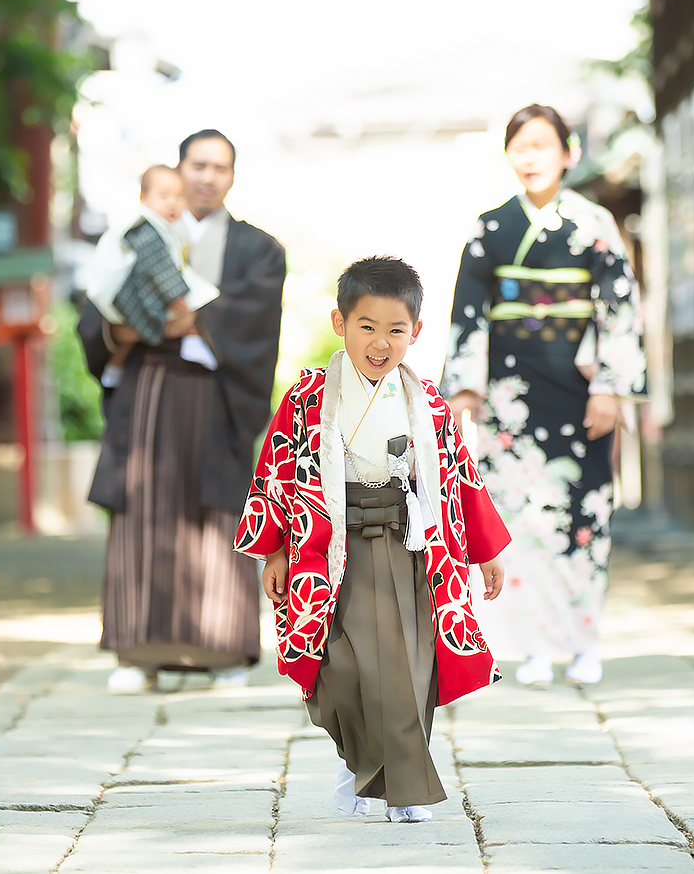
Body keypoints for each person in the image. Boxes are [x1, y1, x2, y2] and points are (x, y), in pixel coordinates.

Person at [236, 256, 511, 823]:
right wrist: (277, 548)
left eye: (396, 330)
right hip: (334, 553)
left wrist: (485, 552)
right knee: (343, 669)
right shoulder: (307, 398)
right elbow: (276, 474)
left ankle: (405, 789)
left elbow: (462, 481)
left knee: (412, 670)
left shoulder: (428, 402)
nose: (381, 342)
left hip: (411, 551)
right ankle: (358, 765)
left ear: (415, 333)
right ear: (340, 323)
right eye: (367, 326)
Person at [442, 104, 646, 688]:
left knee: (583, 514)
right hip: (509, 395)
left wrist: (610, 386)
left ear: (568, 152)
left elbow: (619, 309)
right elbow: (468, 314)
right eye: (520, 147)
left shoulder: (595, 223)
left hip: (579, 392)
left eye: (542, 145)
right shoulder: (490, 227)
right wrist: (465, 390)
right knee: (515, 517)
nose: (530, 157)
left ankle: (583, 643)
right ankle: (527, 646)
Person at [77, 130, 286, 693]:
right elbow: (97, 306)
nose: (206, 177)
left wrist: (194, 318)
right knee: (143, 507)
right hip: (147, 384)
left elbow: (254, 317)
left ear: (232, 177)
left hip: (215, 393)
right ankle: (138, 650)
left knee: (217, 514)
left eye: (220, 167)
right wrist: (124, 326)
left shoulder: (257, 249)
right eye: (197, 164)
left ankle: (219, 652)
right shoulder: (135, 233)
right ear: (180, 168)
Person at [85, 164, 220, 362]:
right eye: (164, 196)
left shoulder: (159, 228)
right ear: (143, 197)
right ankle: (193, 344)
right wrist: (175, 295)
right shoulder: (146, 229)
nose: (172, 203)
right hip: (127, 295)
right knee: (165, 320)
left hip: (130, 296)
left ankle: (115, 367)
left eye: (179, 197)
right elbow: (157, 264)